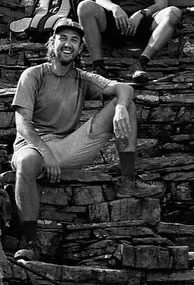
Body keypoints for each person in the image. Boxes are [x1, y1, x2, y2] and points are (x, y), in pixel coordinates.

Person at [10, 16, 138, 263]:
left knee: (126, 103)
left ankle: (128, 179)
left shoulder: (82, 78)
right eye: (63, 38)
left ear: (80, 49)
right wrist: (46, 154)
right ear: (53, 43)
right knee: (26, 163)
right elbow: (22, 125)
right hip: (34, 147)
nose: (68, 44)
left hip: (68, 147)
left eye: (74, 40)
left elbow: (125, 88)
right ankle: (29, 241)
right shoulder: (33, 75)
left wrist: (121, 106)